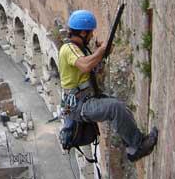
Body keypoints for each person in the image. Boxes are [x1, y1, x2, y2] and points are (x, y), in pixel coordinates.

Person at [59, 9, 158, 162]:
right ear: (83, 33)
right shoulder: (68, 48)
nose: (92, 35)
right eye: (90, 32)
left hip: (85, 99)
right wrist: (101, 51)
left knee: (119, 105)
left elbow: (93, 70)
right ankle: (137, 146)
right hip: (79, 105)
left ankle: (132, 145)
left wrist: (102, 54)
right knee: (114, 108)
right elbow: (85, 66)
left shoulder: (81, 49)